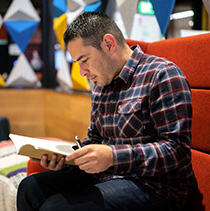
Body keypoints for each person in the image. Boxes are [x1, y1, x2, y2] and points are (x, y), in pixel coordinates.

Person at [17, 12, 195, 211]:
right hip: (107, 176)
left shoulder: (162, 74)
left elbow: (177, 151)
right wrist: (66, 159)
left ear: (109, 44)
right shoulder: (101, 83)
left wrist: (112, 156)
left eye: (85, 60)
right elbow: (95, 139)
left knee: (56, 207)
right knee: (30, 187)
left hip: (155, 187)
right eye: (78, 63)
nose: (82, 72)